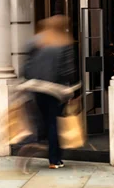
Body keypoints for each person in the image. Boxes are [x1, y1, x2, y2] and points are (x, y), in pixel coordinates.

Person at [25, 15, 76, 169]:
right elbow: (68, 70)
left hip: (37, 87)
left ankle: (34, 145)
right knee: (53, 122)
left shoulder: (36, 41)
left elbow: (27, 66)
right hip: (55, 90)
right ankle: (54, 159)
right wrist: (70, 88)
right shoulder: (64, 42)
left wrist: (31, 79)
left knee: (43, 121)